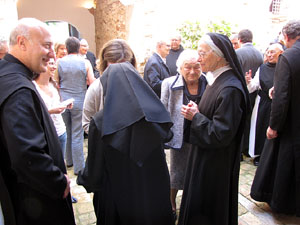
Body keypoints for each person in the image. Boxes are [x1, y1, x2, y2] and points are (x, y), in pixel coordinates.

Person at [78, 62, 175, 225]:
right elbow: (167, 139)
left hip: (117, 198)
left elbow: (94, 172)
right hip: (154, 193)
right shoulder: (154, 113)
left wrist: (82, 178)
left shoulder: (101, 122)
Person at [0, 18, 75, 225]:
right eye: (47, 46)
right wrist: (59, 183)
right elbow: (26, 155)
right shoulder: (18, 88)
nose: (52, 54)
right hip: (37, 204)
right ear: (22, 43)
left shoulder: (10, 76)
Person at [178, 33, 250, 225]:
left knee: (208, 209)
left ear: (219, 55)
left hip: (215, 164)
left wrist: (196, 117)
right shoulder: (217, 80)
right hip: (205, 157)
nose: (198, 58)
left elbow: (221, 134)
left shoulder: (230, 89)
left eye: (202, 53)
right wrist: (198, 112)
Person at [250, 20, 300, 217]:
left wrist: (273, 125)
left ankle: (283, 204)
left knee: (286, 164)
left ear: (286, 37)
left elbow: (282, 96)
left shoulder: (288, 57)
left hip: (292, 123)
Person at [161, 49, 207, 218]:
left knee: (198, 172)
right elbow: (163, 109)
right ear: (179, 67)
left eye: (197, 67)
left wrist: (198, 113)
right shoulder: (169, 84)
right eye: (188, 67)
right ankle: (171, 202)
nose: (193, 71)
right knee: (176, 172)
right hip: (179, 135)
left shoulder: (208, 82)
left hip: (201, 134)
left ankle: (194, 202)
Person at [33, 58, 78, 204]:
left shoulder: (52, 85)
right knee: (52, 165)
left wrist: (64, 106)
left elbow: (55, 105)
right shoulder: (33, 87)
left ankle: (67, 193)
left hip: (60, 130)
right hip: (48, 133)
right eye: (49, 64)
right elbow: (35, 112)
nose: (53, 67)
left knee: (62, 163)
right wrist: (52, 110)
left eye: (54, 63)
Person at [57, 36, 95, 175]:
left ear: (66, 48)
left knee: (67, 131)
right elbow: (92, 82)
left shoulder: (60, 62)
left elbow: (57, 81)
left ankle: (69, 161)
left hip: (64, 100)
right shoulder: (85, 63)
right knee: (77, 133)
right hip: (79, 100)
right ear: (78, 48)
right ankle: (79, 167)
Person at [82, 39, 137, 134]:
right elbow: (87, 123)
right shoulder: (96, 88)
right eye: (114, 67)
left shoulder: (137, 85)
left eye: (123, 66)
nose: (119, 71)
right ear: (105, 64)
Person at [246, 43, 283, 165]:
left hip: (279, 104)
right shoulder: (262, 68)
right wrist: (249, 82)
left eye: (273, 52)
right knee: (260, 129)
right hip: (263, 103)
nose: (269, 54)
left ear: (280, 53)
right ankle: (259, 155)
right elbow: (253, 87)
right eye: (268, 52)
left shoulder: (285, 68)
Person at [236, 29, 264, 158]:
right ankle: (247, 148)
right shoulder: (260, 54)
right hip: (253, 92)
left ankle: (240, 150)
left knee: (239, 120)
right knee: (249, 120)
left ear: (239, 39)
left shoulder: (238, 53)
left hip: (240, 91)